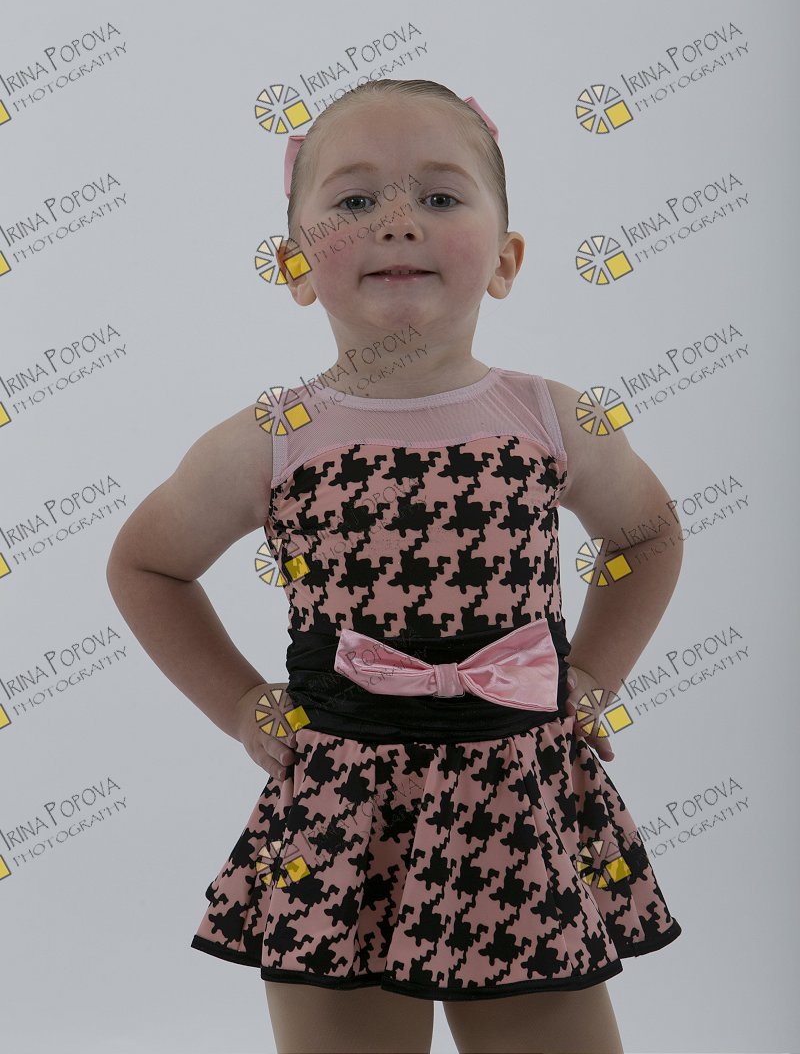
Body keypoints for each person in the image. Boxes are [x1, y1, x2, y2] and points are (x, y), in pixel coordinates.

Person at [106, 79, 683, 1054]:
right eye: (356, 199)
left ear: (505, 260)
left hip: (517, 800)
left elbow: (647, 535)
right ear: (295, 265)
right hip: (343, 808)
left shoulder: (552, 417)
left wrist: (593, 672)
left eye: (440, 196)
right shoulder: (271, 437)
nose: (399, 221)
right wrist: (241, 704)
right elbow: (147, 565)